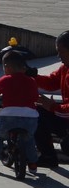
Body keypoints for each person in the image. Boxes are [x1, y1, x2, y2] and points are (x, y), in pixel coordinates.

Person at [0, 46, 40, 174]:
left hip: (8, 117)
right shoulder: (31, 81)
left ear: (7, 67)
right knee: (29, 139)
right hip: (30, 118)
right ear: (23, 67)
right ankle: (33, 164)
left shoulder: (4, 80)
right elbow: (35, 97)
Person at [31, 30, 69, 166]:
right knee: (36, 113)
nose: (58, 56)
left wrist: (52, 106)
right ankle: (48, 157)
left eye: (60, 51)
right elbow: (51, 82)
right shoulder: (65, 68)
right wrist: (32, 76)